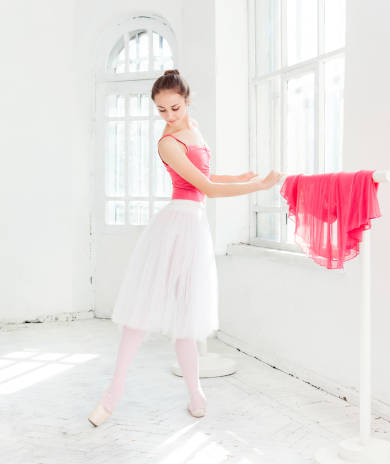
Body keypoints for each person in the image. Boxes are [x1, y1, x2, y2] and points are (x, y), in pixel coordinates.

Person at [88, 69, 283, 426]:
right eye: (161, 110)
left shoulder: (193, 129)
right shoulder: (167, 143)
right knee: (142, 312)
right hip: (177, 225)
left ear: (187, 101)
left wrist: (239, 177)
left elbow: (205, 177)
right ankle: (112, 394)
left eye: (174, 108)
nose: (169, 116)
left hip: (193, 226)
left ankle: (196, 393)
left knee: (186, 313)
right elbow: (205, 190)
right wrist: (258, 186)